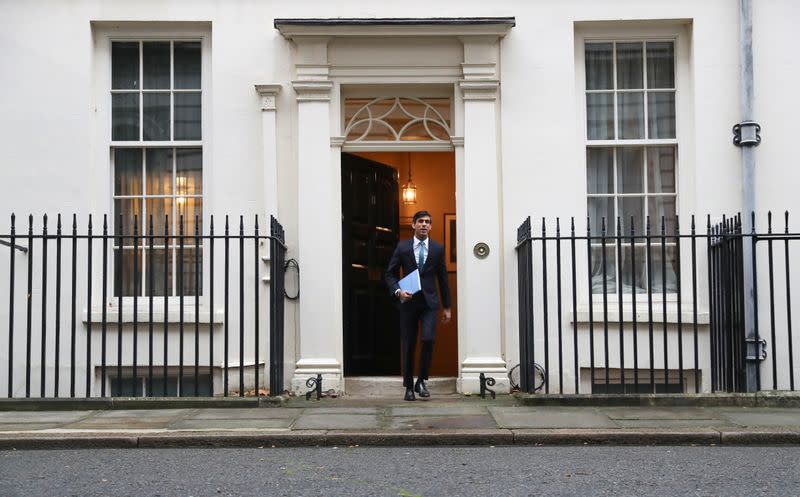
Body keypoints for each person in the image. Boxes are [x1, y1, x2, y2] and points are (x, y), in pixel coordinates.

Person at [385, 210, 452, 401]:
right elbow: (389, 273)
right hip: (408, 302)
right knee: (408, 344)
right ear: (414, 225)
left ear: (431, 226)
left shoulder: (438, 249)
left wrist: (447, 306)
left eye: (428, 222)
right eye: (420, 221)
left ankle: (421, 381)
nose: (424, 224)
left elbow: (443, 279)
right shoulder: (403, 247)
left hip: (430, 303)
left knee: (428, 339)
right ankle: (408, 386)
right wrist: (398, 291)